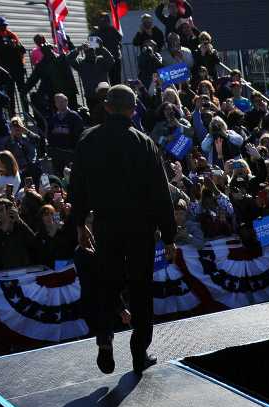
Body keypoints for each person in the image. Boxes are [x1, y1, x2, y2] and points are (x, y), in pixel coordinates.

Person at [67, 85, 177, 374]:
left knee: (108, 284)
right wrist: (169, 236)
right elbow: (160, 194)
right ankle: (139, 353)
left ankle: (105, 339)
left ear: (106, 107)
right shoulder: (144, 143)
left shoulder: (87, 140)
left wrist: (80, 223)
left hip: (106, 225)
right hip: (140, 228)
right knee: (141, 289)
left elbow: (76, 188)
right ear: (133, 109)